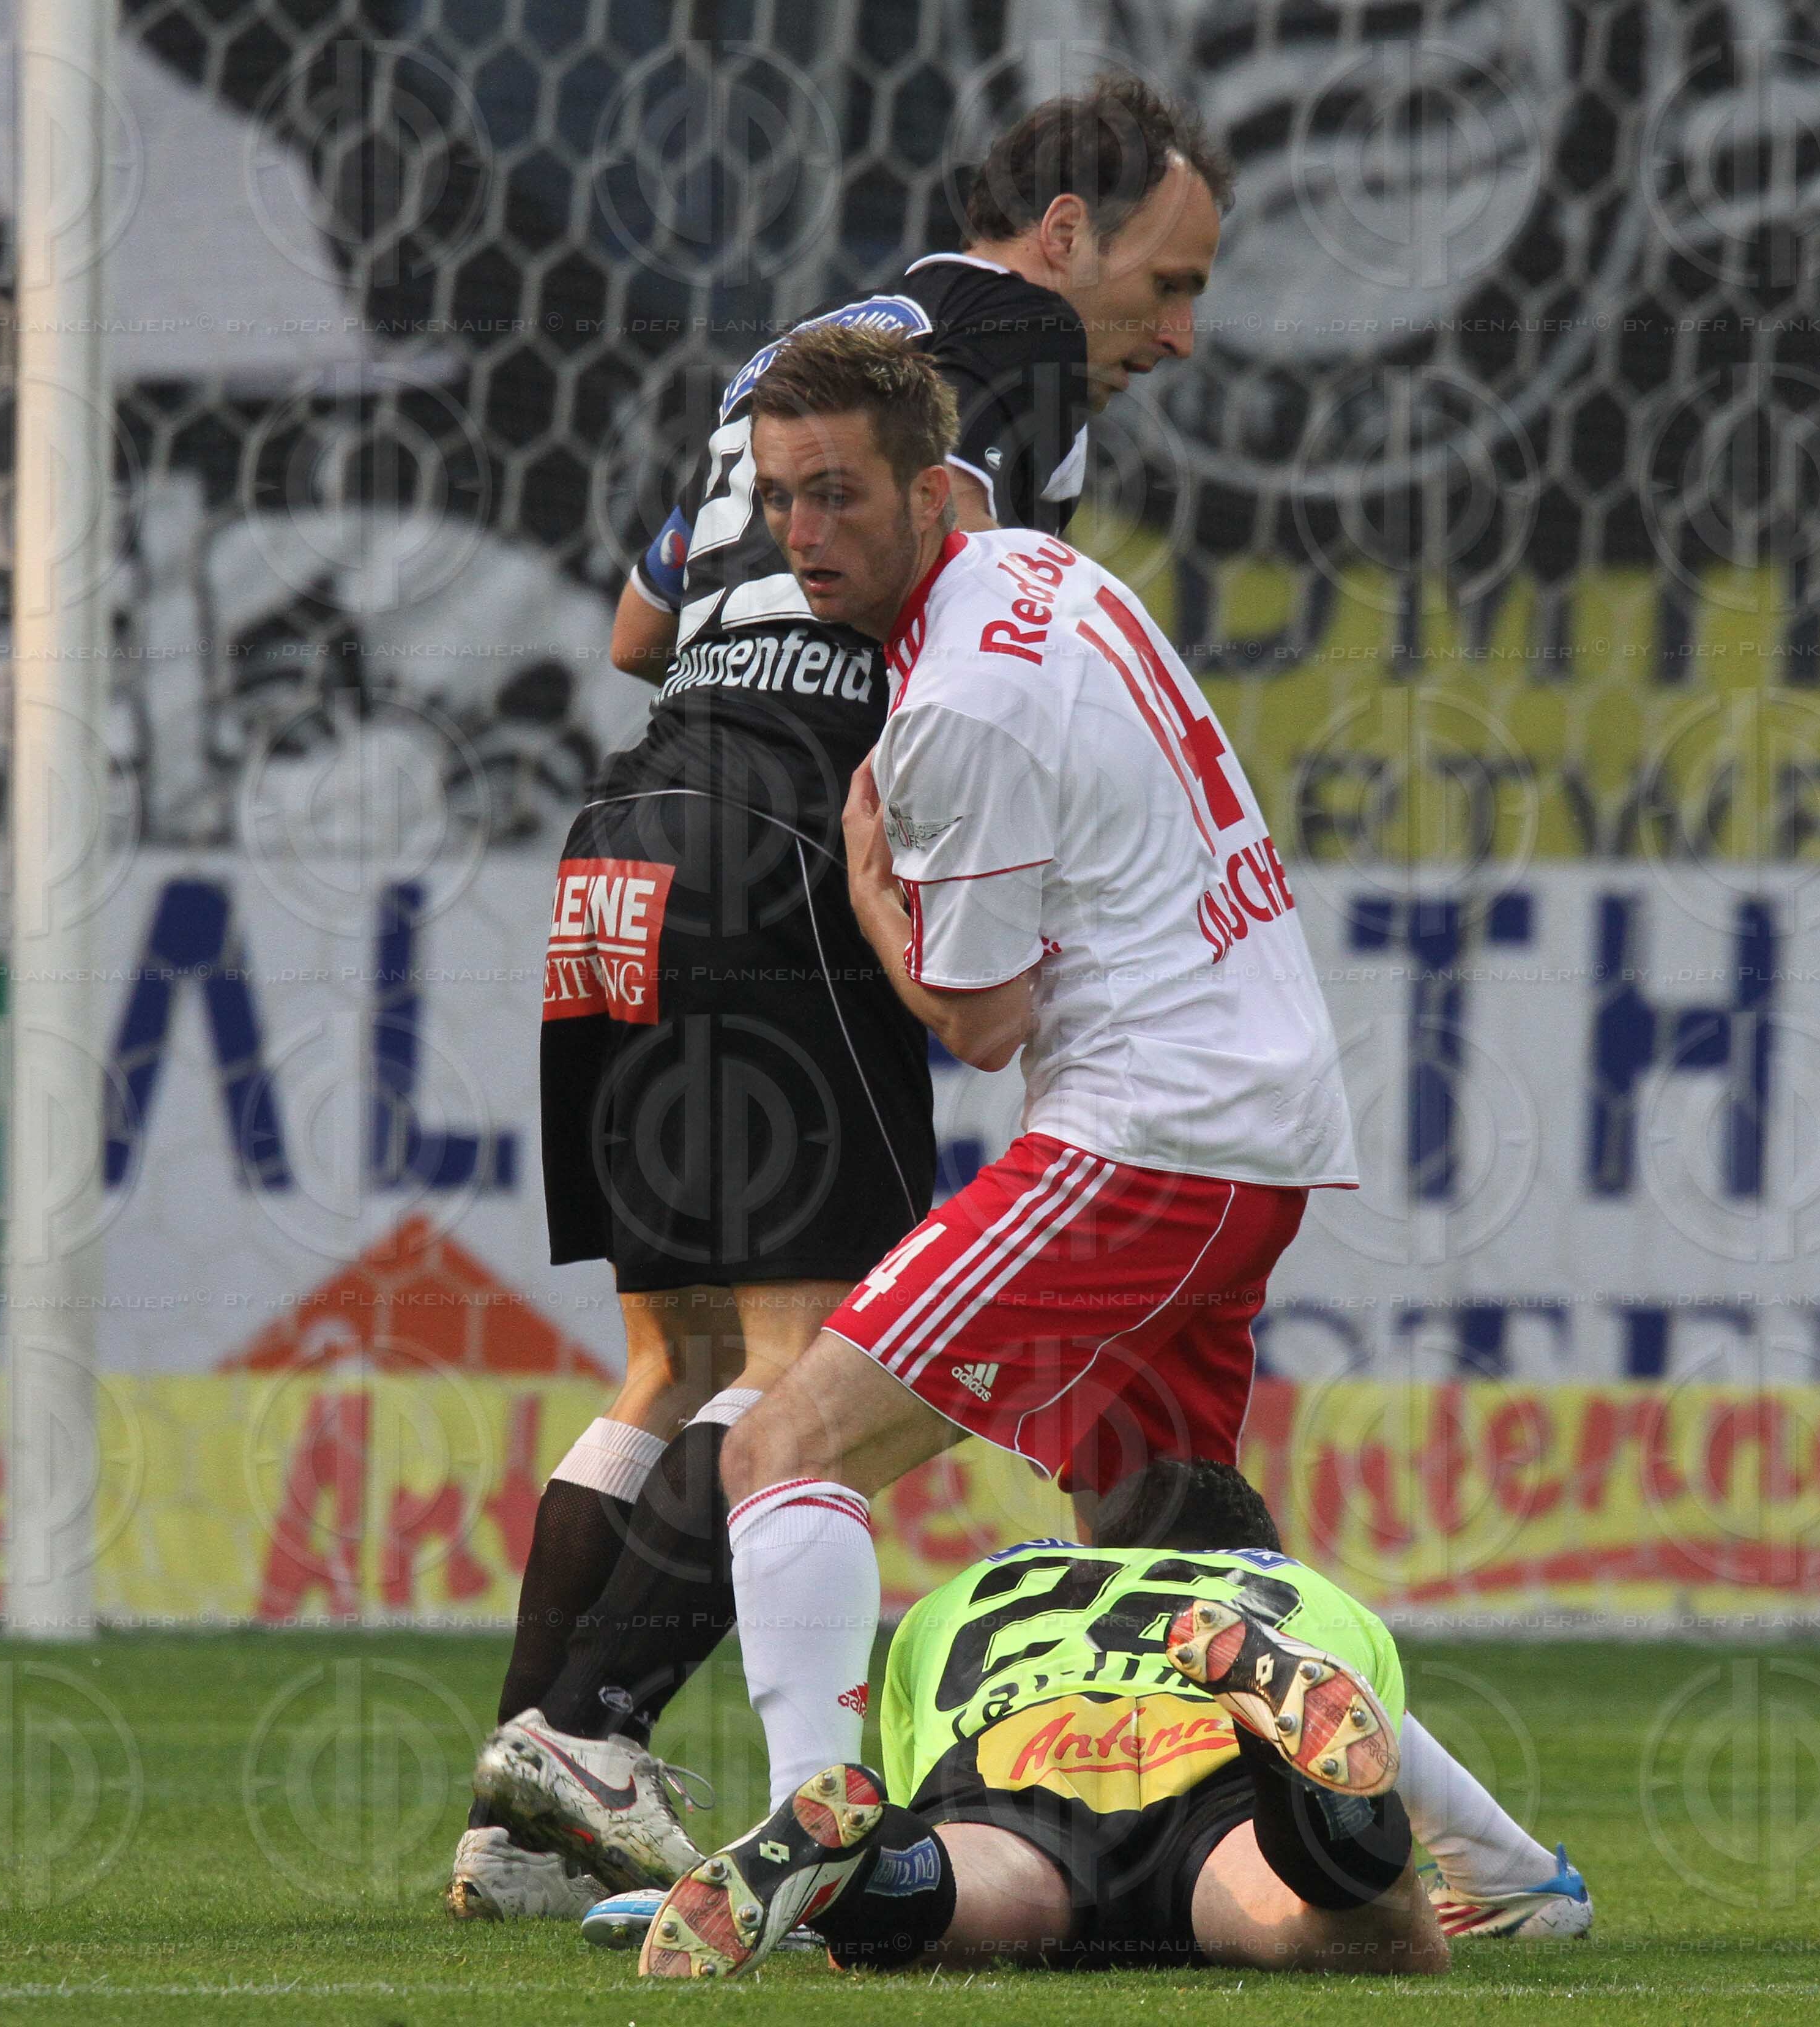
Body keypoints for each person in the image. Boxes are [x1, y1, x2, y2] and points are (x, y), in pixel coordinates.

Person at [479, 323, 1594, 1946]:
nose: (802, 536)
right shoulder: (1034, 573)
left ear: (930, 490)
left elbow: (981, 1020)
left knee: (785, 1447)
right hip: (1252, 1118)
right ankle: (1507, 1872)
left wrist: (871, 895)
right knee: (1163, 1549)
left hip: (1144, 1138)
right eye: (779, 499)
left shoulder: (956, 710)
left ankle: (810, 1835)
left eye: (838, 496)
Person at [456, 75, 1234, 1919]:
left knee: (675, 1359)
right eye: (1169, 282)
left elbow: (636, 627)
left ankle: (521, 1817)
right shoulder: (1015, 346)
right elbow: (975, 611)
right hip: (787, 851)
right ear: (1064, 236)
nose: (1178, 334)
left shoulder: (804, 358)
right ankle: (595, 1735)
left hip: (629, 839)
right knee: (809, 1362)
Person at [629, 1460, 1581, 1977]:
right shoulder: (1301, 1589)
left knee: (966, 1895)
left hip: (1015, 1764)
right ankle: (1299, 1790)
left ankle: (871, 1876)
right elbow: (1380, 1738)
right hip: (1208, 1780)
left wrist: (913, 1835)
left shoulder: (970, 1589)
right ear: (1249, 1549)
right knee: (1371, 1937)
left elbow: (922, 1778)